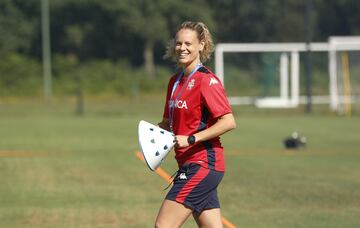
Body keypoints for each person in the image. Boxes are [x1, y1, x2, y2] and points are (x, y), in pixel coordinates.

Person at [156, 21, 236, 228]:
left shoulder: (207, 81)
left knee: (164, 225)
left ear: (201, 45)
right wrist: (155, 135)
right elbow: (168, 123)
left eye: (188, 44)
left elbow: (228, 121)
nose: (182, 48)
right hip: (188, 163)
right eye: (179, 43)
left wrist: (192, 138)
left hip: (203, 164)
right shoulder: (174, 82)